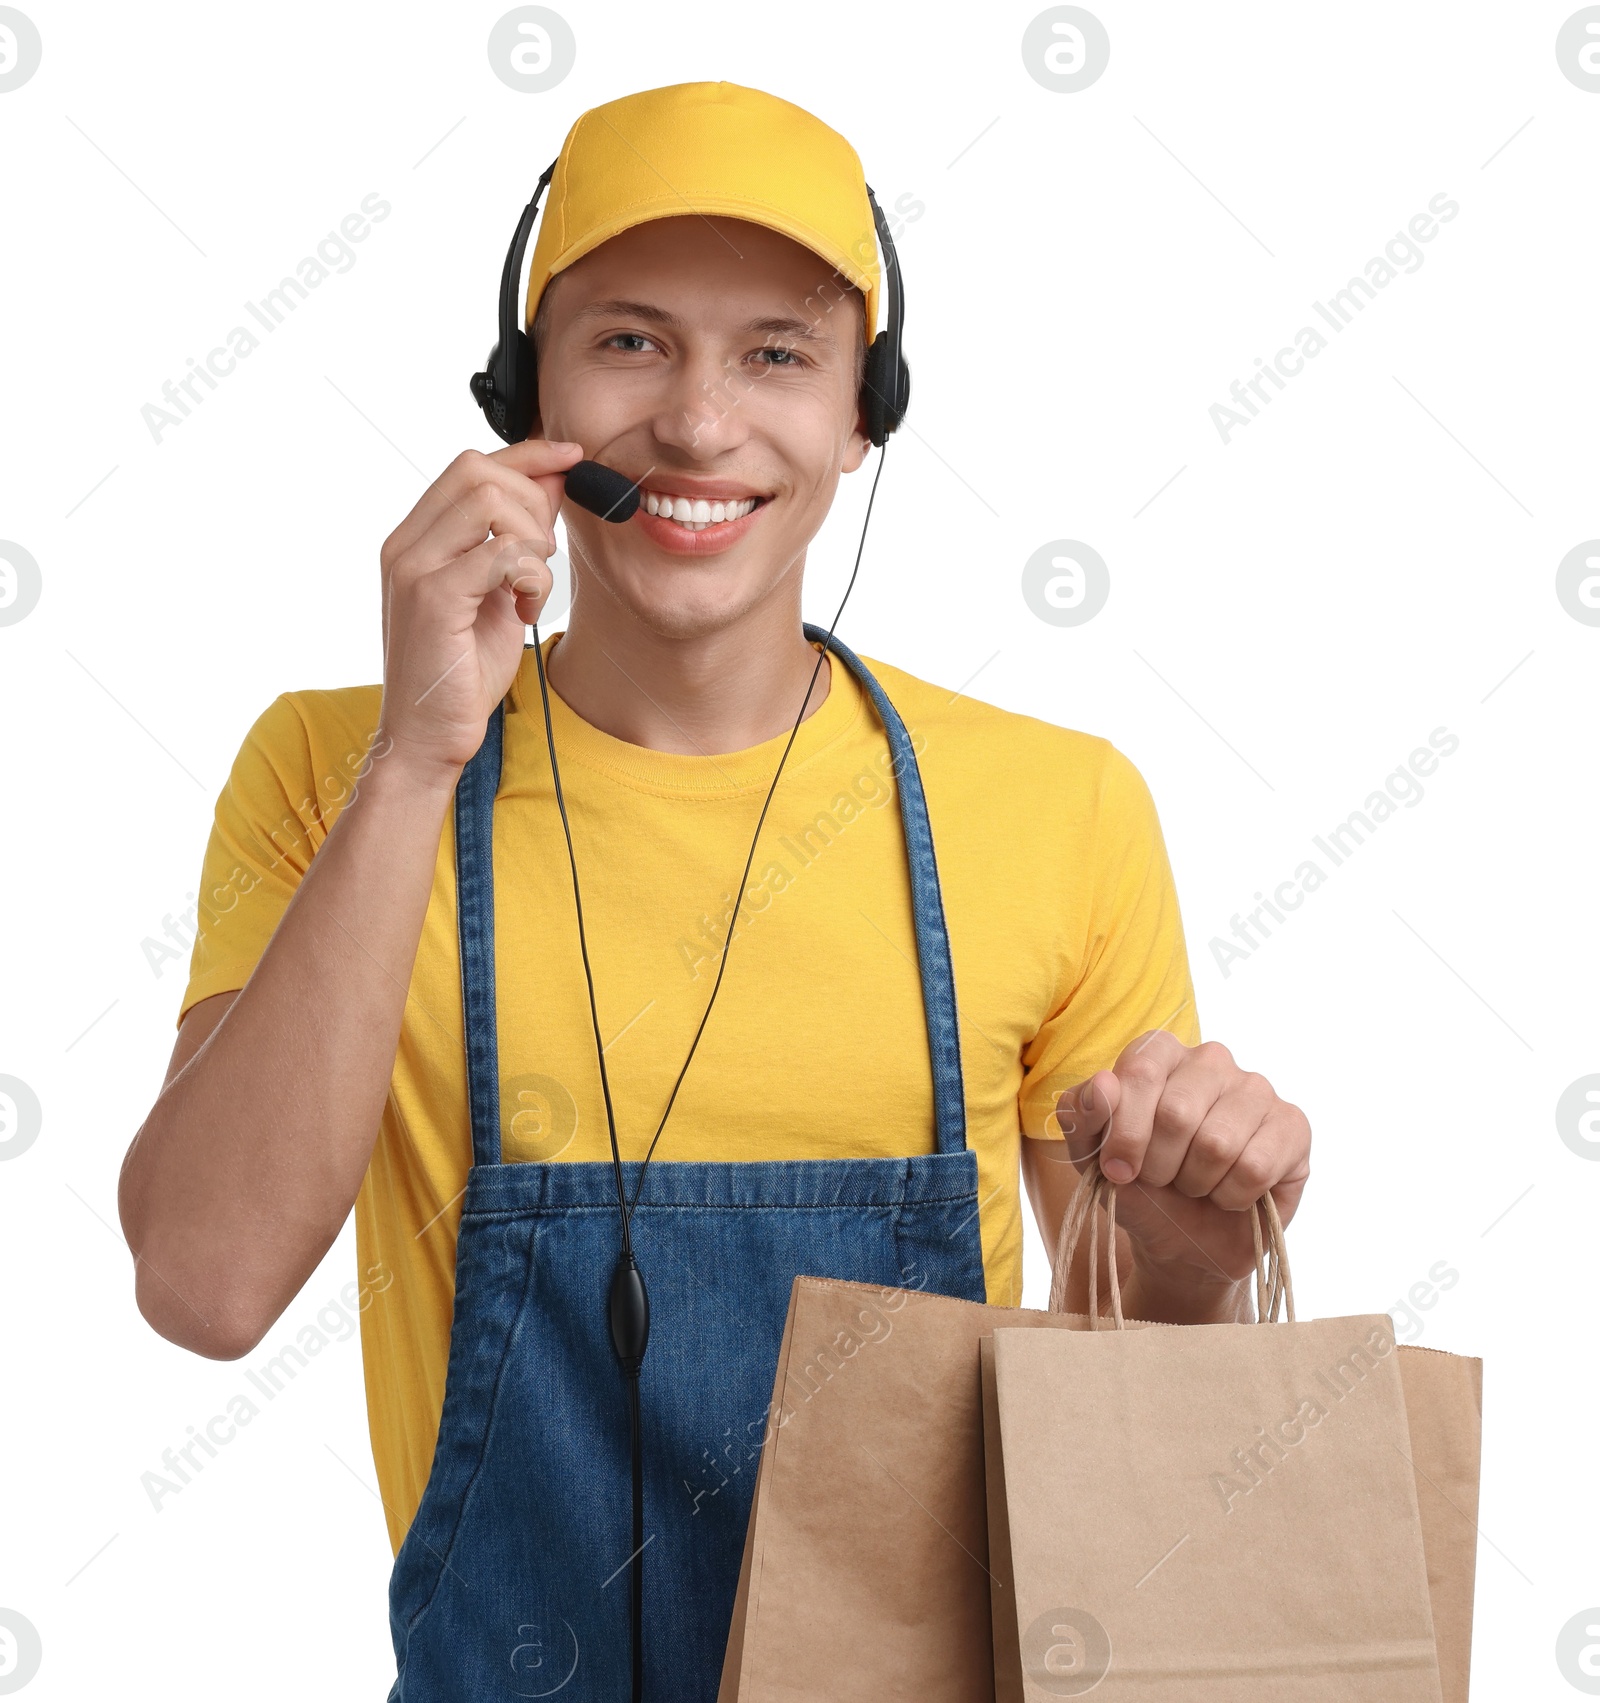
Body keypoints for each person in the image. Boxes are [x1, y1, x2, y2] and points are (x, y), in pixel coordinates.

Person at [118, 80, 1311, 1699]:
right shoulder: (337, 774)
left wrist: (1188, 1265)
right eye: (629, 342)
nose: (696, 424)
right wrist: (417, 759)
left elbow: (1133, 1454)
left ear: (862, 412)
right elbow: (203, 1285)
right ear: (521, 387)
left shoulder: (1055, 807)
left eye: (776, 352)